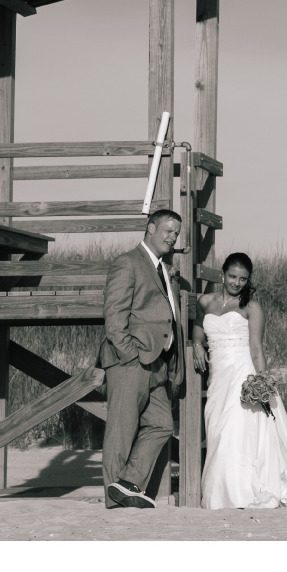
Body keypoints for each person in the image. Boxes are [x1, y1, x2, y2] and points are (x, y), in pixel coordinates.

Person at [194, 252, 287, 509]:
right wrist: (197, 345)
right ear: (222, 274)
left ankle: (239, 494)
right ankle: (220, 492)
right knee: (217, 428)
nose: (236, 283)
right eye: (232, 276)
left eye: (243, 279)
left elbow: (256, 348)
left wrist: (262, 382)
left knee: (236, 432)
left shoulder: (251, 307)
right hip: (218, 377)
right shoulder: (205, 302)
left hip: (243, 372)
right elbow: (198, 330)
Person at [98, 208, 186, 509]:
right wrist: (130, 355)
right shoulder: (128, 262)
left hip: (158, 363)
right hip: (131, 361)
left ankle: (125, 484)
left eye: (176, 233)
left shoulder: (164, 268)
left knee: (162, 424)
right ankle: (114, 498)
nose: (173, 237)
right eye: (168, 230)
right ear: (150, 228)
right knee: (121, 429)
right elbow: (114, 317)